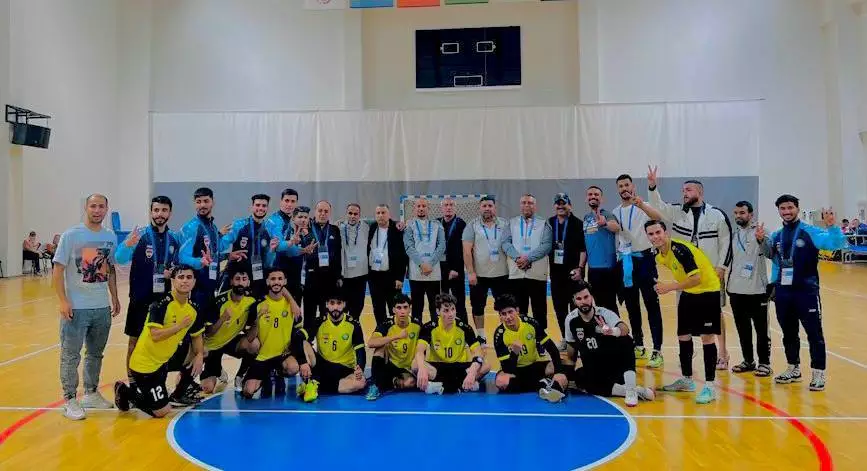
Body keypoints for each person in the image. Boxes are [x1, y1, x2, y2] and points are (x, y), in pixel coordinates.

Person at [646, 166, 733, 370]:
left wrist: (722, 267)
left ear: (700, 192)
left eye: (688, 190)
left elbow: (726, 242)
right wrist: (652, 186)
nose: (684, 193)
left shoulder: (717, 215)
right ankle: (688, 351)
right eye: (683, 190)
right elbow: (657, 205)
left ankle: (723, 352)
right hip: (685, 276)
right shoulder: (677, 212)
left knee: (715, 315)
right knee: (685, 314)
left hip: (710, 274)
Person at [757, 196, 846, 391]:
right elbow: (773, 257)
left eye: (790, 207)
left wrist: (832, 227)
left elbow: (835, 244)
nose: (786, 212)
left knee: (814, 334)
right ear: (779, 211)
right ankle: (793, 368)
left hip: (806, 292)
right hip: (783, 293)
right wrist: (762, 240)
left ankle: (818, 372)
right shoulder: (777, 235)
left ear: (797, 208)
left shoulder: (810, 231)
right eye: (782, 208)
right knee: (788, 333)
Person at [53, 194, 121, 420]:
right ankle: (70, 399)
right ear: (86, 208)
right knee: (71, 355)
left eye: (101, 206)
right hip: (77, 308)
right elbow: (58, 270)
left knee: (95, 353)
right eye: (93, 206)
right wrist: (63, 300)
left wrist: (114, 297)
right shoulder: (71, 235)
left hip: (101, 307)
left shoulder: (110, 236)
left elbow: (110, 269)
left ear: (106, 209)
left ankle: (91, 393)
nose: (97, 210)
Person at [113, 265, 206, 418]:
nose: (185, 281)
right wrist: (179, 326)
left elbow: (197, 335)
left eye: (189, 277)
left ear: (194, 281)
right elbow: (155, 335)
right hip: (145, 367)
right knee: (162, 411)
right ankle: (126, 392)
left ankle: (179, 393)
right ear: (173, 281)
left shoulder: (193, 308)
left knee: (202, 353)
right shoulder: (161, 304)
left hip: (164, 362)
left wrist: (200, 355)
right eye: (181, 277)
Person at [644, 219, 720, 404]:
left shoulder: (679, 249)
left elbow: (696, 278)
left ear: (666, 233)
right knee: (683, 335)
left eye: (658, 232)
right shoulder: (659, 254)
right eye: (651, 234)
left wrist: (669, 287)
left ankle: (710, 386)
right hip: (689, 292)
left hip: (707, 291)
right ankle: (687, 380)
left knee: (707, 337)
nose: (655, 237)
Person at [114, 196, 182, 389]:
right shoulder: (140, 236)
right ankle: (133, 384)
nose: (160, 214)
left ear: (170, 213)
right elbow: (119, 258)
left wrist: (172, 273)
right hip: (140, 299)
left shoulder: (173, 239)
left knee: (159, 342)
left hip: (162, 301)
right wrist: (127, 245)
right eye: (156, 210)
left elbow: (177, 267)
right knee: (134, 342)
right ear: (151, 212)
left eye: (164, 210)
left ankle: (157, 382)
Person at [562, 281, 655, 407]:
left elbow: (625, 329)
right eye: (579, 299)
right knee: (580, 376)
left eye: (586, 297)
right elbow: (571, 351)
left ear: (591, 297)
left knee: (626, 340)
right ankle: (635, 391)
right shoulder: (571, 320)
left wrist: (612, 331)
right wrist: (567, 375)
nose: (583, 301)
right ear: (574, 301)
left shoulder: (604, 313)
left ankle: (631, 391)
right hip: (594, 369)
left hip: (614, 366)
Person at [612, 175, 663, 368]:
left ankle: (657, 350)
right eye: (620, 186)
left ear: (632, 186)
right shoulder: (615, 211)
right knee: (632, 306)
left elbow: (658, 218)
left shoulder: (643, 205)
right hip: (626, 262)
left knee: (652, 306)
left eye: (627, 184)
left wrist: (641, 205)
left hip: (645, 261)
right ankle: (639, 344)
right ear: (617, 189)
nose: (624, 188)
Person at [242, 268, 307, 399]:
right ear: (267, 282)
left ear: (285, 281)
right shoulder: (258, 305)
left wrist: (302, 360)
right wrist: (257, 319)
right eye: (273, 279)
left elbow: (298, 334)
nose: (276, 282)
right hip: (262, 357)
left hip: (283, 355)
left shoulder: (292, 306)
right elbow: (249, 338)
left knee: (293, 368)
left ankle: (278, 374)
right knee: (248, 392)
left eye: (279, 279)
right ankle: (262, 375)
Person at [492, 294, 568, 403]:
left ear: (517, 310)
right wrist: (514, 353)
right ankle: (542, 384)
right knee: (501, 381)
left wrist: (559, 372)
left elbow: (551, 348)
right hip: (515, 370)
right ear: (500, 316)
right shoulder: (499, 334)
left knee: (558, 366)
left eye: (510, 312)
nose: (508, 317)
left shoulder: (530, 323)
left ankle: (540, 385)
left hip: (534, 366)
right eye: (503, 314)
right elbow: (507, 369)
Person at [727, 201, 772, 377]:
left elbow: (770, 253)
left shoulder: (761, 231)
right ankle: (748, 360)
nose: (738, 216)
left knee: (761, 330)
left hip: (757, 291)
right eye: (736, 213)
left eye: (742, 213)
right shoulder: (733, 235)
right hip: (736, 290)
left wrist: (762, 240)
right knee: (742, 328)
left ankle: (765, 363)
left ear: (751, 215)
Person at [414, 293, 490, 394]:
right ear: (438, 311)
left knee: (486, 365)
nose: (451, 314)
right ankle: (462, 385)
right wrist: (422, 368)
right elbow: (419, 351)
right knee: (415, 364)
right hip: (438, 368)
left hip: (460, 367)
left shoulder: (464, 327)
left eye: (453, 309)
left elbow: (478, 352)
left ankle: (439, 386)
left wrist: (472, 371)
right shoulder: (429, 327)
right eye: (446, 310)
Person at [299, 290, 367, 402]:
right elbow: (298, 337)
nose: (335, 307)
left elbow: (360, 350)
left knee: (360, 383)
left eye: (339, 303)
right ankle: (316, 384)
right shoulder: (319, 322)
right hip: (322, 366)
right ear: (327, 304)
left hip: (345, 368)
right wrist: (303, 362)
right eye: (332, 303)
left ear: (344, 304)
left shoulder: (353, 324)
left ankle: (314, 385)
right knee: (303, 342)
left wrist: (360, 368)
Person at [200, 269, 259, 394]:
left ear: (248, 282)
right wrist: (222, 318)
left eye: (244, 279)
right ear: (231, 281)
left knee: (254, 344)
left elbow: (249, 336)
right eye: (237, 279)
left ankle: (240, 375)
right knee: (207, 388)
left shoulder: (251, 302)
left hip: (231, 342)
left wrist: (257, 322)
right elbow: (208, 333)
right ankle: (218, 370)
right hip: (213, 346)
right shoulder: (219, 302)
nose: (240, 283)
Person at [179, 187, 230, 328]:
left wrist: (228, 255)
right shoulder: (192, 227)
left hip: (211, 287)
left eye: (206, 201)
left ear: (213, 202)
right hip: (197, 289)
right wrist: (199, 262)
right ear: (194, 204)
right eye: (198, 202)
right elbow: (182, 257)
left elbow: (213, 254)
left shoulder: (213, 227)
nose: (202, 205)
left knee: (209, 329)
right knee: (196, 331)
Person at [462, 196, 509, 342]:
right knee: (477, 307)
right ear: (479, 208)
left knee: (504, 306)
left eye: (490, 206)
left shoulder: (505, 224)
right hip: (479, 275)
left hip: (502, 274)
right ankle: (481, 335)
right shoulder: (472, 225)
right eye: (484, 206)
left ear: (495, 207)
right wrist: (471, 272)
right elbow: (466, 251)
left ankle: (505, 333)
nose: (487, 208)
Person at [503, 194, 553, 330]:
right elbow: (505, 243)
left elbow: (546, 245)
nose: (527, 205)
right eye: (524, 202)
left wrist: (528, 258)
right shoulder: (511, 223)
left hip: (537, 274)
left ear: (535, 206)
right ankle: (522, 337)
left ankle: (540, 338)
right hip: (516, 274)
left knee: (539, 310)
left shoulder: (543, 224)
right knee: (519, 311)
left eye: (530, 203)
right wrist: (517, 258)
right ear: (520, 205)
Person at [220, 194, 281, 298]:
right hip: (237, 276)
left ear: (267, 208)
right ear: (251, 207)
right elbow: (221, 246)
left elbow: (268, 263)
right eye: (257, 205)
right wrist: (220, 237)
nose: (260, 208)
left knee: (255, 306)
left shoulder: (270, 229)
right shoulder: (239, 225)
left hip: (258, 277)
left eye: (264, 206)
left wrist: (272, 251)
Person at [365, 293, 421, 400]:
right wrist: (396, 336)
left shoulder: (417, 325)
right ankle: (375, 385)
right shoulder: (387, 323)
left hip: (407, 367)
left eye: (405, 307)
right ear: (393, 310)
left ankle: (391, 382)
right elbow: (371, 343)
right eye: (399, 308)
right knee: (380, 348)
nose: (402, 311)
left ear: (410, 309)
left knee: (410, 383)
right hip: (390, 364)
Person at [548, 193, 586, 336]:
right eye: (558, 203)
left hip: (574, 273)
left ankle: (578, 338)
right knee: (559, 308)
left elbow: (583, 249)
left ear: (570, 205)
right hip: (556, 274)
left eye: (563, 203)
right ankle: (566, 338)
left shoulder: (578, 224)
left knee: (576, 307)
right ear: (554, 206)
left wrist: (580, 268)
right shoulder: (550, 223)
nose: (560, 206)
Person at [404, 198, 446, 323]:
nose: (421, 208)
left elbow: (442, 246)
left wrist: (430, 263)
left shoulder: (438, 225)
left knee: (435, 307)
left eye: (424, 206)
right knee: (417, 307)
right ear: (414, 209)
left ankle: (435, 331)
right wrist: (421, 264)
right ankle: (417, 332)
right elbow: (409, 247)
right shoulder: (409, 225)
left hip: (434, 272)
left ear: (428, 208)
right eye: (418, 206)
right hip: (416, 273)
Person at [303, 201, 343, 330]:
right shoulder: (306, 228)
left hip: (329, 279)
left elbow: (338, 254)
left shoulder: (334, 230)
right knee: (309, 313)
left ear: (330, 213)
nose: (323, 214)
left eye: (326, 211)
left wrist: (339, 276)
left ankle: (325, 340)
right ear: (315, 212)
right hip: (310, 278)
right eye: (320, 210)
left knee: (326, 313)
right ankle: (308, 340)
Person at [367, 204, 408, 326]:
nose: (380, 215)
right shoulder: (372, 227)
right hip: (374, 276)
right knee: (378, 307)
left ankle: (395, 331)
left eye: (383, 212)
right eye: (378, 213)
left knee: (394, 307)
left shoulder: (397, 229)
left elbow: (403, 255)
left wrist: (400, 277)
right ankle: (381, 331)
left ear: (389, 214)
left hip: (392, 276)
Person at [582, 186, 620, 312]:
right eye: (590, 194)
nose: (593, 196)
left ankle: (616, 325)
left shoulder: (607, 214)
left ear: (601, 198)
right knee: (598, 306)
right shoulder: (586, 218)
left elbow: (616, 227)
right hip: (593, 269)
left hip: (607, 269)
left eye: (596, 194)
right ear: (586, 198)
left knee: (610, 305)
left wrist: (605, 223)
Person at [264, 188, 303, 287]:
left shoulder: (292, 220)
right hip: (275, 269)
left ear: (296, 203)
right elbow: (278, 246)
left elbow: (292, 249)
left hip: (289, 268)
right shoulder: (274, 220)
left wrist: (303, 250)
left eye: (293, 201)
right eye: (286, 200)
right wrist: (291, 242)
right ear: (281, 201)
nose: (289, 204)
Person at [438, 198, 468, 322]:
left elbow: (463, 250)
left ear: (455, 208)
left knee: (459, 303)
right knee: (441, 303)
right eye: (446, 205)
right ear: (441, 208)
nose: (448, 207)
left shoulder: (461, 224)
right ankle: (443, 328)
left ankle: (464, 328)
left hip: (456, 270)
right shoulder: (436, 223)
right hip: (440, 270)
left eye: (451, 205)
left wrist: (456, 269)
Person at [340, 203, 370, 319]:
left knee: (358, 305)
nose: (352, 216)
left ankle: (355, 324)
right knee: (343, 305)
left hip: (361, 274)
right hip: (345, 274)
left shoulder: (366, 227)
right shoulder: (339, 227)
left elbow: (382, 221)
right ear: (346, 214)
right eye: (350, 213)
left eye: (355, 214)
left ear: (359, 215)